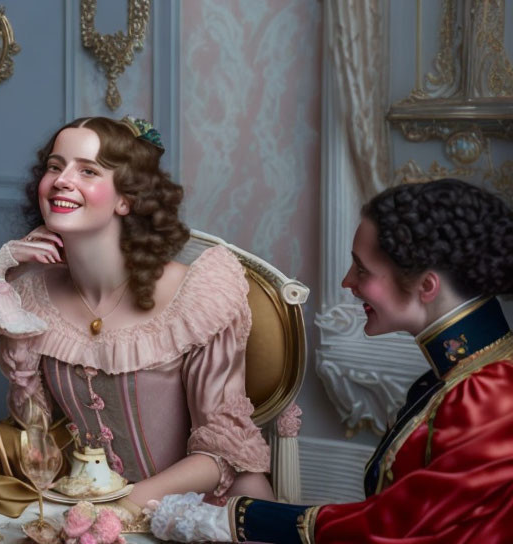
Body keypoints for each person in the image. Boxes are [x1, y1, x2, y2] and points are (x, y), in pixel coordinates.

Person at [150, 178, 513, 543]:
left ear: (427, 286)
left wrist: (235, 519)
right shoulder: (462, 375)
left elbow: (396, 526)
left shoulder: (488, 392)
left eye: (362, 270)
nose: (346, 281)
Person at [0, 116, 274, 510]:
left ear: (126, 198)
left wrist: (119, 510)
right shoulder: (33, 294)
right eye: (55, 166)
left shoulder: (197, 294)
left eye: (88, 170)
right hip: (89, 511)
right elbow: (34, 426)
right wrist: (6, 276)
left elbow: (222, 454)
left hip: (205, 508)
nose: (63, 180)